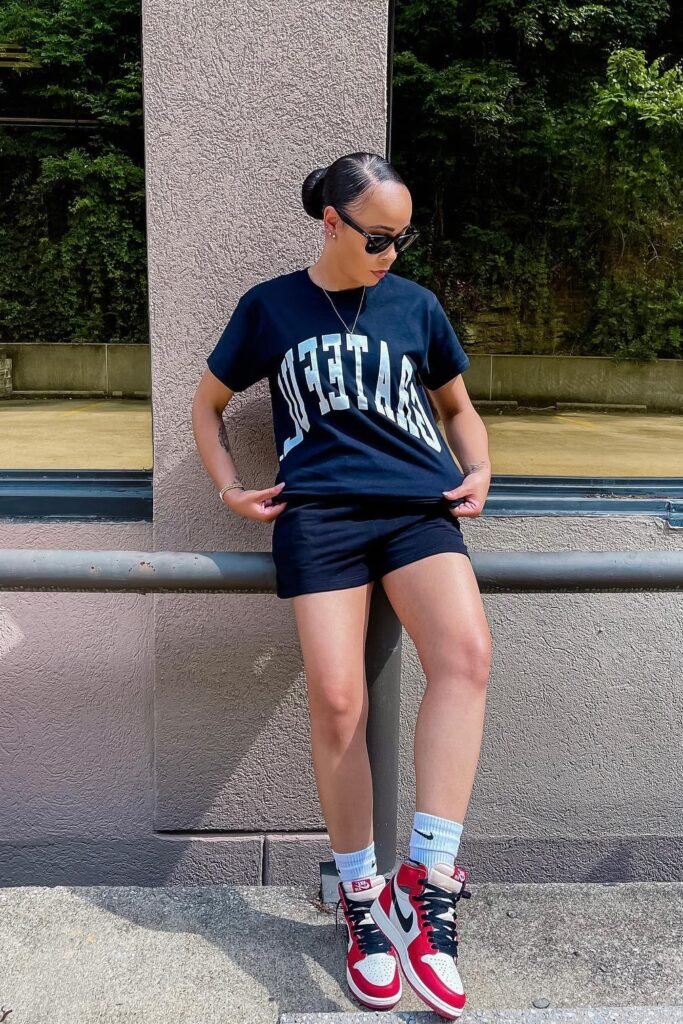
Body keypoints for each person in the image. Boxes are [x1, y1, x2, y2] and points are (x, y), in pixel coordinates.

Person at [191, 151, 493, 1020]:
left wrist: (479, 467)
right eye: (378, 237)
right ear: (331, 222)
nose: (391, 253)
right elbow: (207, 405)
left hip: (416, 510)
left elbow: (457, 407)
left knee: (466, 658)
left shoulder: (416, 306)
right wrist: (228, 488)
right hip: (319, 514)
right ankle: (362, 900)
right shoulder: (270, 306)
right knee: (335, 702)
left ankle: (425, 885)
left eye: (403, 239)